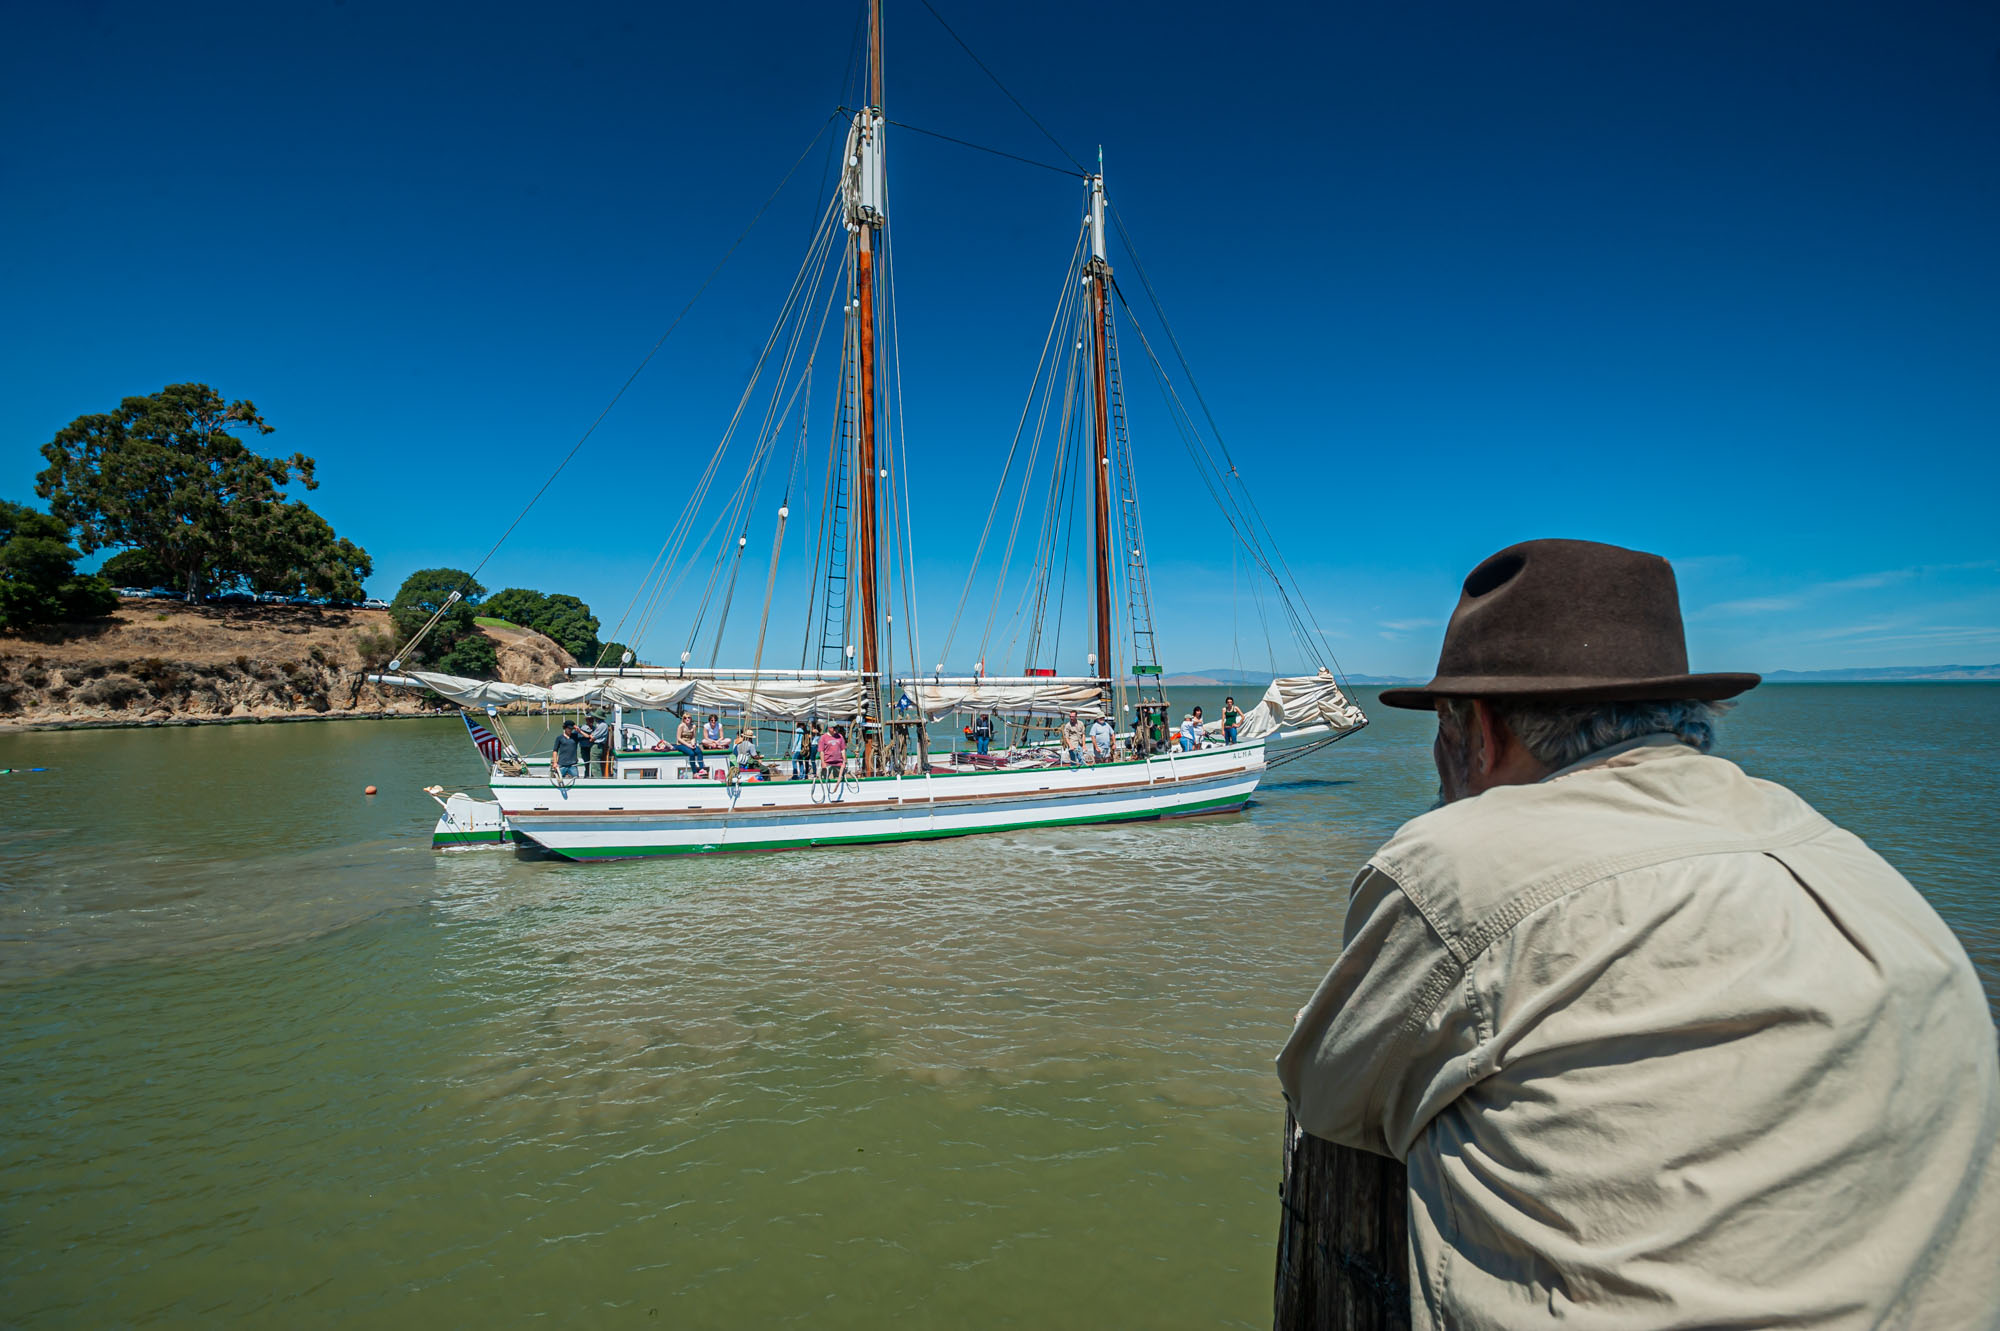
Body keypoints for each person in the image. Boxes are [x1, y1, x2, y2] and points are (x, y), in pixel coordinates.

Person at [1276, 538, 2000, 1330]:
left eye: (1443, 730)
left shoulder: (1455, 864)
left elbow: (1328, 1095)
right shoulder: (1846, 854)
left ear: (1476, 731)